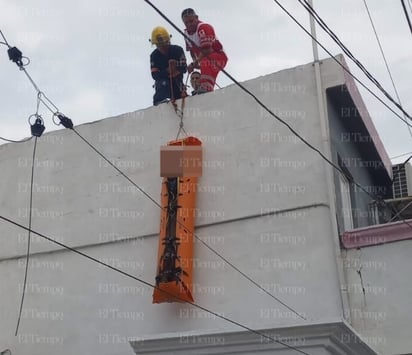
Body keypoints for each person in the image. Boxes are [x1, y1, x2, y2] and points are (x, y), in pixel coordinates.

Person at [181, 8, 228, 93]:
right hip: (205, 58)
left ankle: (206, 87)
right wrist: (195, 62)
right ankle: (204, 88)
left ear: (197, 18)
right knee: (204, 63)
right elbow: (191, 51)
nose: (189, 24)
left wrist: (194, 63)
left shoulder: (204, 27)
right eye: (186, 23)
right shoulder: (186, 34)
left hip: (219, 56)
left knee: (206, 61)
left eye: (191, 21)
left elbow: (207, 50)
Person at [150, 26, 187, 105]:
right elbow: (155, 75)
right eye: (158, 45)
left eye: (163, 44)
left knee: (180, 97)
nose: (161, 47)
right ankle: (160, 101)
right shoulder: (154, 55)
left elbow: (184, 68)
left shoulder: (177, 50)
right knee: (163, 83)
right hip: (163, 85)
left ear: (168, 41)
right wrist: (167, 71)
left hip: (177, 83)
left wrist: (176, 65)